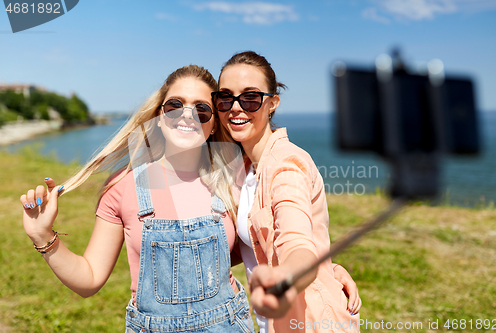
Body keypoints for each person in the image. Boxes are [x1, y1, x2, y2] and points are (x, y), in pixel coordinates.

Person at [20, 65, 255, 333]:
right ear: (159, 115)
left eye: (201, 110)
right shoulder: (123, 187)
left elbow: (243, 253)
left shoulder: (233, 180)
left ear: (214, 125)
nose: (187, 115)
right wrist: (42, 236)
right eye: (175, 105)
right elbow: (90, 278)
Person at [212, 51, 361, 333]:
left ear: (272, 103)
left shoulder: (286, 165)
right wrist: (329, 268)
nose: (235, 107)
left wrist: (287, 277)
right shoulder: (243, 169)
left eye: (251, 97)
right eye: (225, 97)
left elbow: (296, 243)